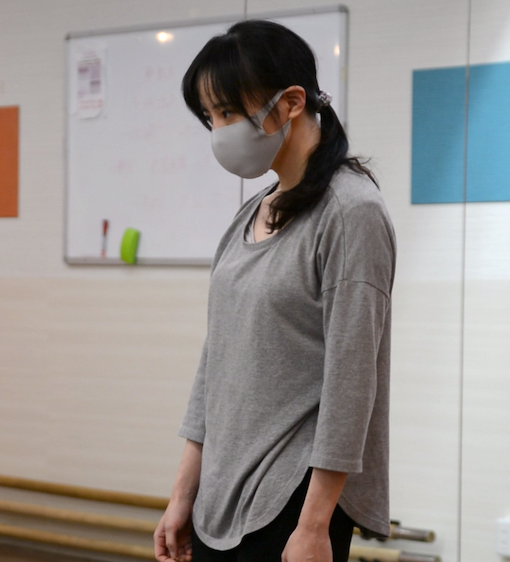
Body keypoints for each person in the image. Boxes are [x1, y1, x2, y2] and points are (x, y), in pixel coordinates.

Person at [153, 20, 396, 562]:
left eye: (228, 113)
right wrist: (183, 493)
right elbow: (215, 361)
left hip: (294, 499)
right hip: (219, 496)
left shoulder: (351, 212)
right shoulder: (251, 212)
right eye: (210, 117)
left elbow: (352, 382)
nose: (219, 131)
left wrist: (315, 526)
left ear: (290, 103)